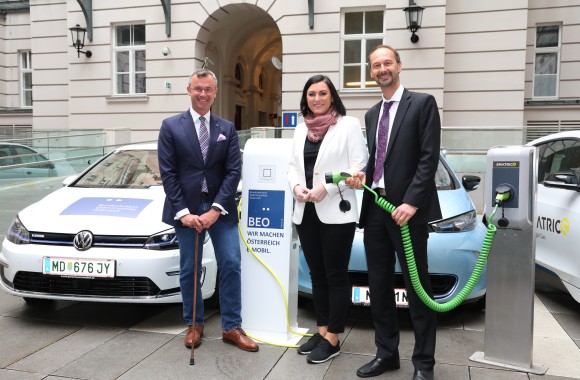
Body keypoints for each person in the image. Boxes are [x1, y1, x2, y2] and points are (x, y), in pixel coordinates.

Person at [346, 45, 441, 380]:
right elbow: (378, 160)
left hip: (408, 213)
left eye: (387, 63)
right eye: (376, 65)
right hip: (376, 209)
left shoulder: (423, 104)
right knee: (379, 284)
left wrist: (412, 202)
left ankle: (424, 364)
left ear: (399, 65)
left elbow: (429, 158)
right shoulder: (372, 114)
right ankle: (386, 354)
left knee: (418, 289)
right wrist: (362, 176)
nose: (382, 69)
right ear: (371, 72)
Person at [158, 68, 258, 353]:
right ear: (188, 90)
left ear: (215, 93)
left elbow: (233, 172)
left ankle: (231, 327)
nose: (203, 94)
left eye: (208, 89)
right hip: (186, 210)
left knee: (231, 263)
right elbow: (168, 173)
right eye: (198, 89)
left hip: (220, 210)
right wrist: (184, 212)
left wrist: (215, 209)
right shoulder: (171, 126)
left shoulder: (226, 128)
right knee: (190, 268)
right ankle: (194, 324)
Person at [288, 75, 368, 364]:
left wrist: (328, 188)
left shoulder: (347, 125)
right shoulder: (300, 129)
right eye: (312, 94)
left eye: (323, 93)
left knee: (335, 275)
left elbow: (358, 166)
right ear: (305, 98)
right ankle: (322, 331)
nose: (317, 98)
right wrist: (297, 187)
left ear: (332, 96)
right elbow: (292, 167)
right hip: (305, 210)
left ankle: (333, 337)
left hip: (336, 210)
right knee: (317, 275)